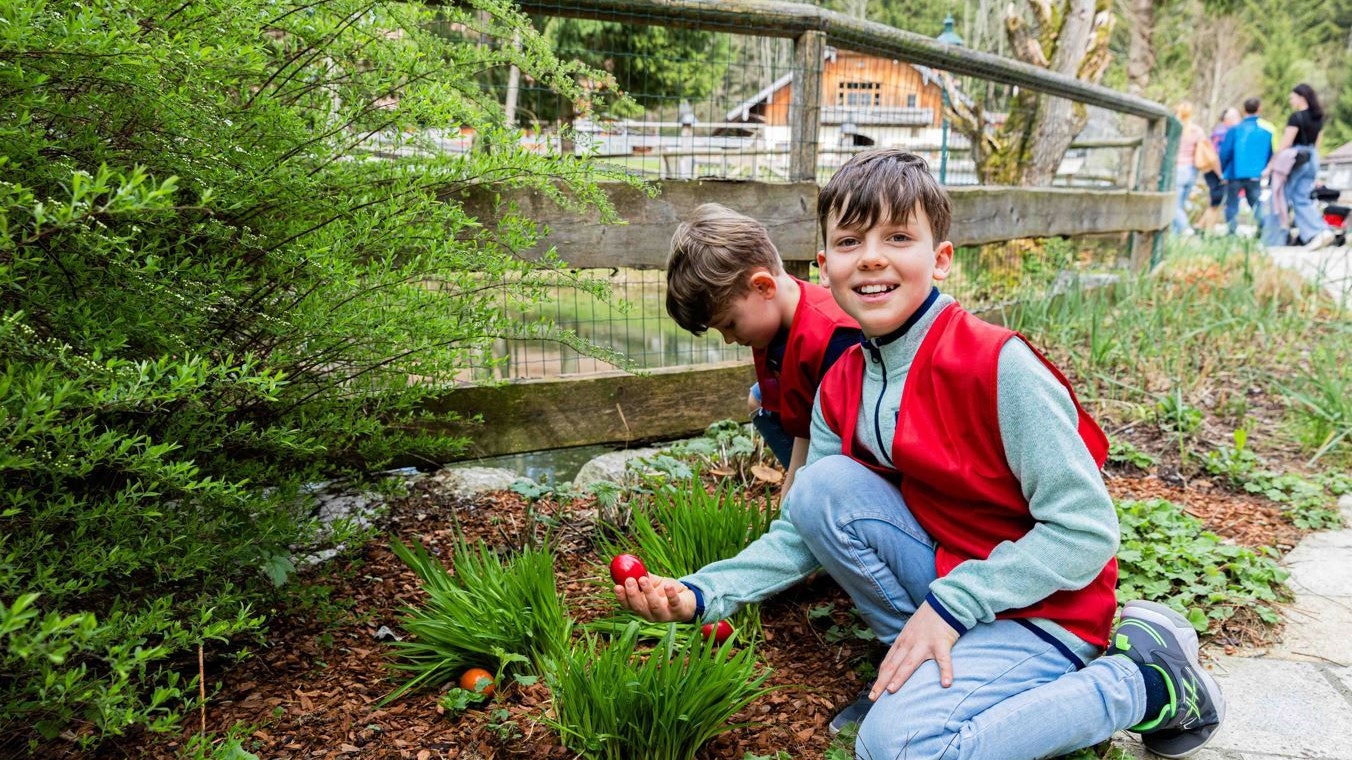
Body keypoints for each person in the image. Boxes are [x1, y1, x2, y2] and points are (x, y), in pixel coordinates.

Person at [619, 150, 1225, 760]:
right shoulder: (843, 382)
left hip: (1046, 607)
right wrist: (704, 591)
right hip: (948, 575)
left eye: (899, 236)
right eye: (852, 241)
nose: (874, 256)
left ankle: (1141, 682)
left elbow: (1087, 532)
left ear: (940, 258)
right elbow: (804, 527)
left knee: (899, 749)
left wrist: (953, 604)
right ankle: (916, 664)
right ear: (825, 265)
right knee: (818, 486)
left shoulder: (998, 366)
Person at [666, 203, 860, 493]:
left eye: (730, 324)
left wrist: (790, 495)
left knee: (803, 493)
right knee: (759, 399)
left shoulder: (836, 340)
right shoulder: (777, 318)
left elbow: (821, 433)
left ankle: (815, 497)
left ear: (763, 286)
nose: (729, 339)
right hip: (815, 420)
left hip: (852, 448)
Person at [1271, 83, 1335, 250]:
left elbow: (1286, 142)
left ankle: (1317, 231)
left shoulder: (1296, 117)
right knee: (1304, 195)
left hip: (1297, 158)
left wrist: (1272, 163)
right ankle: (1316, 232)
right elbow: (1318, 143)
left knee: (1294, 196)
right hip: (1313, 157)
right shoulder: (1318, 118)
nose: (1291, 101)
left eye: (1292, 97)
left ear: (1301, 97)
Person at [1219, 98, 1275, 236]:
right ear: (1259, 109)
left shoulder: (1234, 130)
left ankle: (1231, 233)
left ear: (1244, 110)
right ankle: (1263, 232)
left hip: (1234, 173)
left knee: (1232, 204)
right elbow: (1270, 154)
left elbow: (1225, 152)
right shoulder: (1266, 133)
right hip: (1255, 174)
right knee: (1256, 204)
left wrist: (1223, 170)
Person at [1198, 107, 1240, 233]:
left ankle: (1202, 226)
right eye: (1236, 117)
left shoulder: (1221, 132)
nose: (1239, 120)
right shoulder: (1223, 133)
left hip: (1215, 170)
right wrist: (1221, 174)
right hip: (1216, 170)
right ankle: (1207, 230)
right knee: (1217, 200)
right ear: (1227, 119)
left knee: (1217, 201)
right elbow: (1216, 157)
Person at [1172, 101, 1210, 235]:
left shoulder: (1174, 129)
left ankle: (1185, 229)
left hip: (1177, 168)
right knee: (1180, 203)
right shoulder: (1197, 131)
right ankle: (1174, 235)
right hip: (1192, 169)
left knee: (1174, 205)